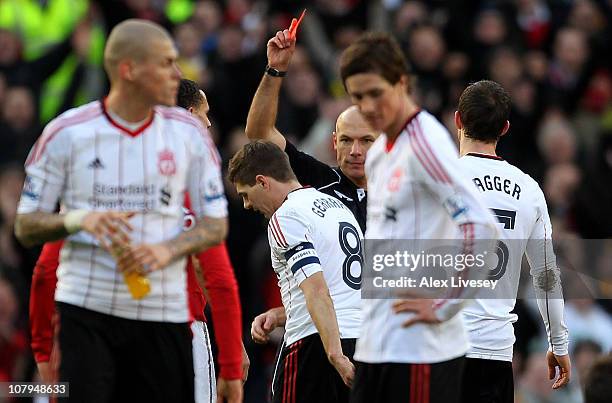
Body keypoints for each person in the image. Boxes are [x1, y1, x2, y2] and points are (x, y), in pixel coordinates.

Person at [15, 20, 228, 403]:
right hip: (91, 316)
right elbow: (31, 236)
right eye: (165, 63)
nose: (177, 73)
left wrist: (168, 249)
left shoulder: (190, 146)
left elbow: (216, 250)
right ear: (129, 69)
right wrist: (78, 220)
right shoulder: (69, 133)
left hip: (167, 320)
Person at [339, 32, 499, 403]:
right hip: (376, 343)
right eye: (357, 97)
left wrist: (445, 303)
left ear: (401, 83)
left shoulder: (425, 141)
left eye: (375, 92)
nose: (367, 106)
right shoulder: (380, 152)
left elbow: (480, 226)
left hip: (421, 350)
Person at [454, 80, 570, 402]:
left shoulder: (437, 178)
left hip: (442, 347)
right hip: (496, 352)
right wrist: (558, 344)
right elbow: (546, 276)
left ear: (458, 120)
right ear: (505, 128)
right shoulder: (529, 190)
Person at [228, 141, 361, 403]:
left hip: (315, 347)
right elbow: (338, 290)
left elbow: (317, 290)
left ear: (263, 182)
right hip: (359, 340)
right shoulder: (339, 209)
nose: (246, 205)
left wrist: (334, 354)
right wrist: (279, 315)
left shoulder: (286, 216)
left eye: (245, 194)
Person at [244, 29, 379, 234]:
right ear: (334, 143)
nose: (355, 150)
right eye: (346, 140)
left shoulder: (402, 193)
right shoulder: (320, 179)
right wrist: (275, 69)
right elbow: (259, 132)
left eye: (366, 140)